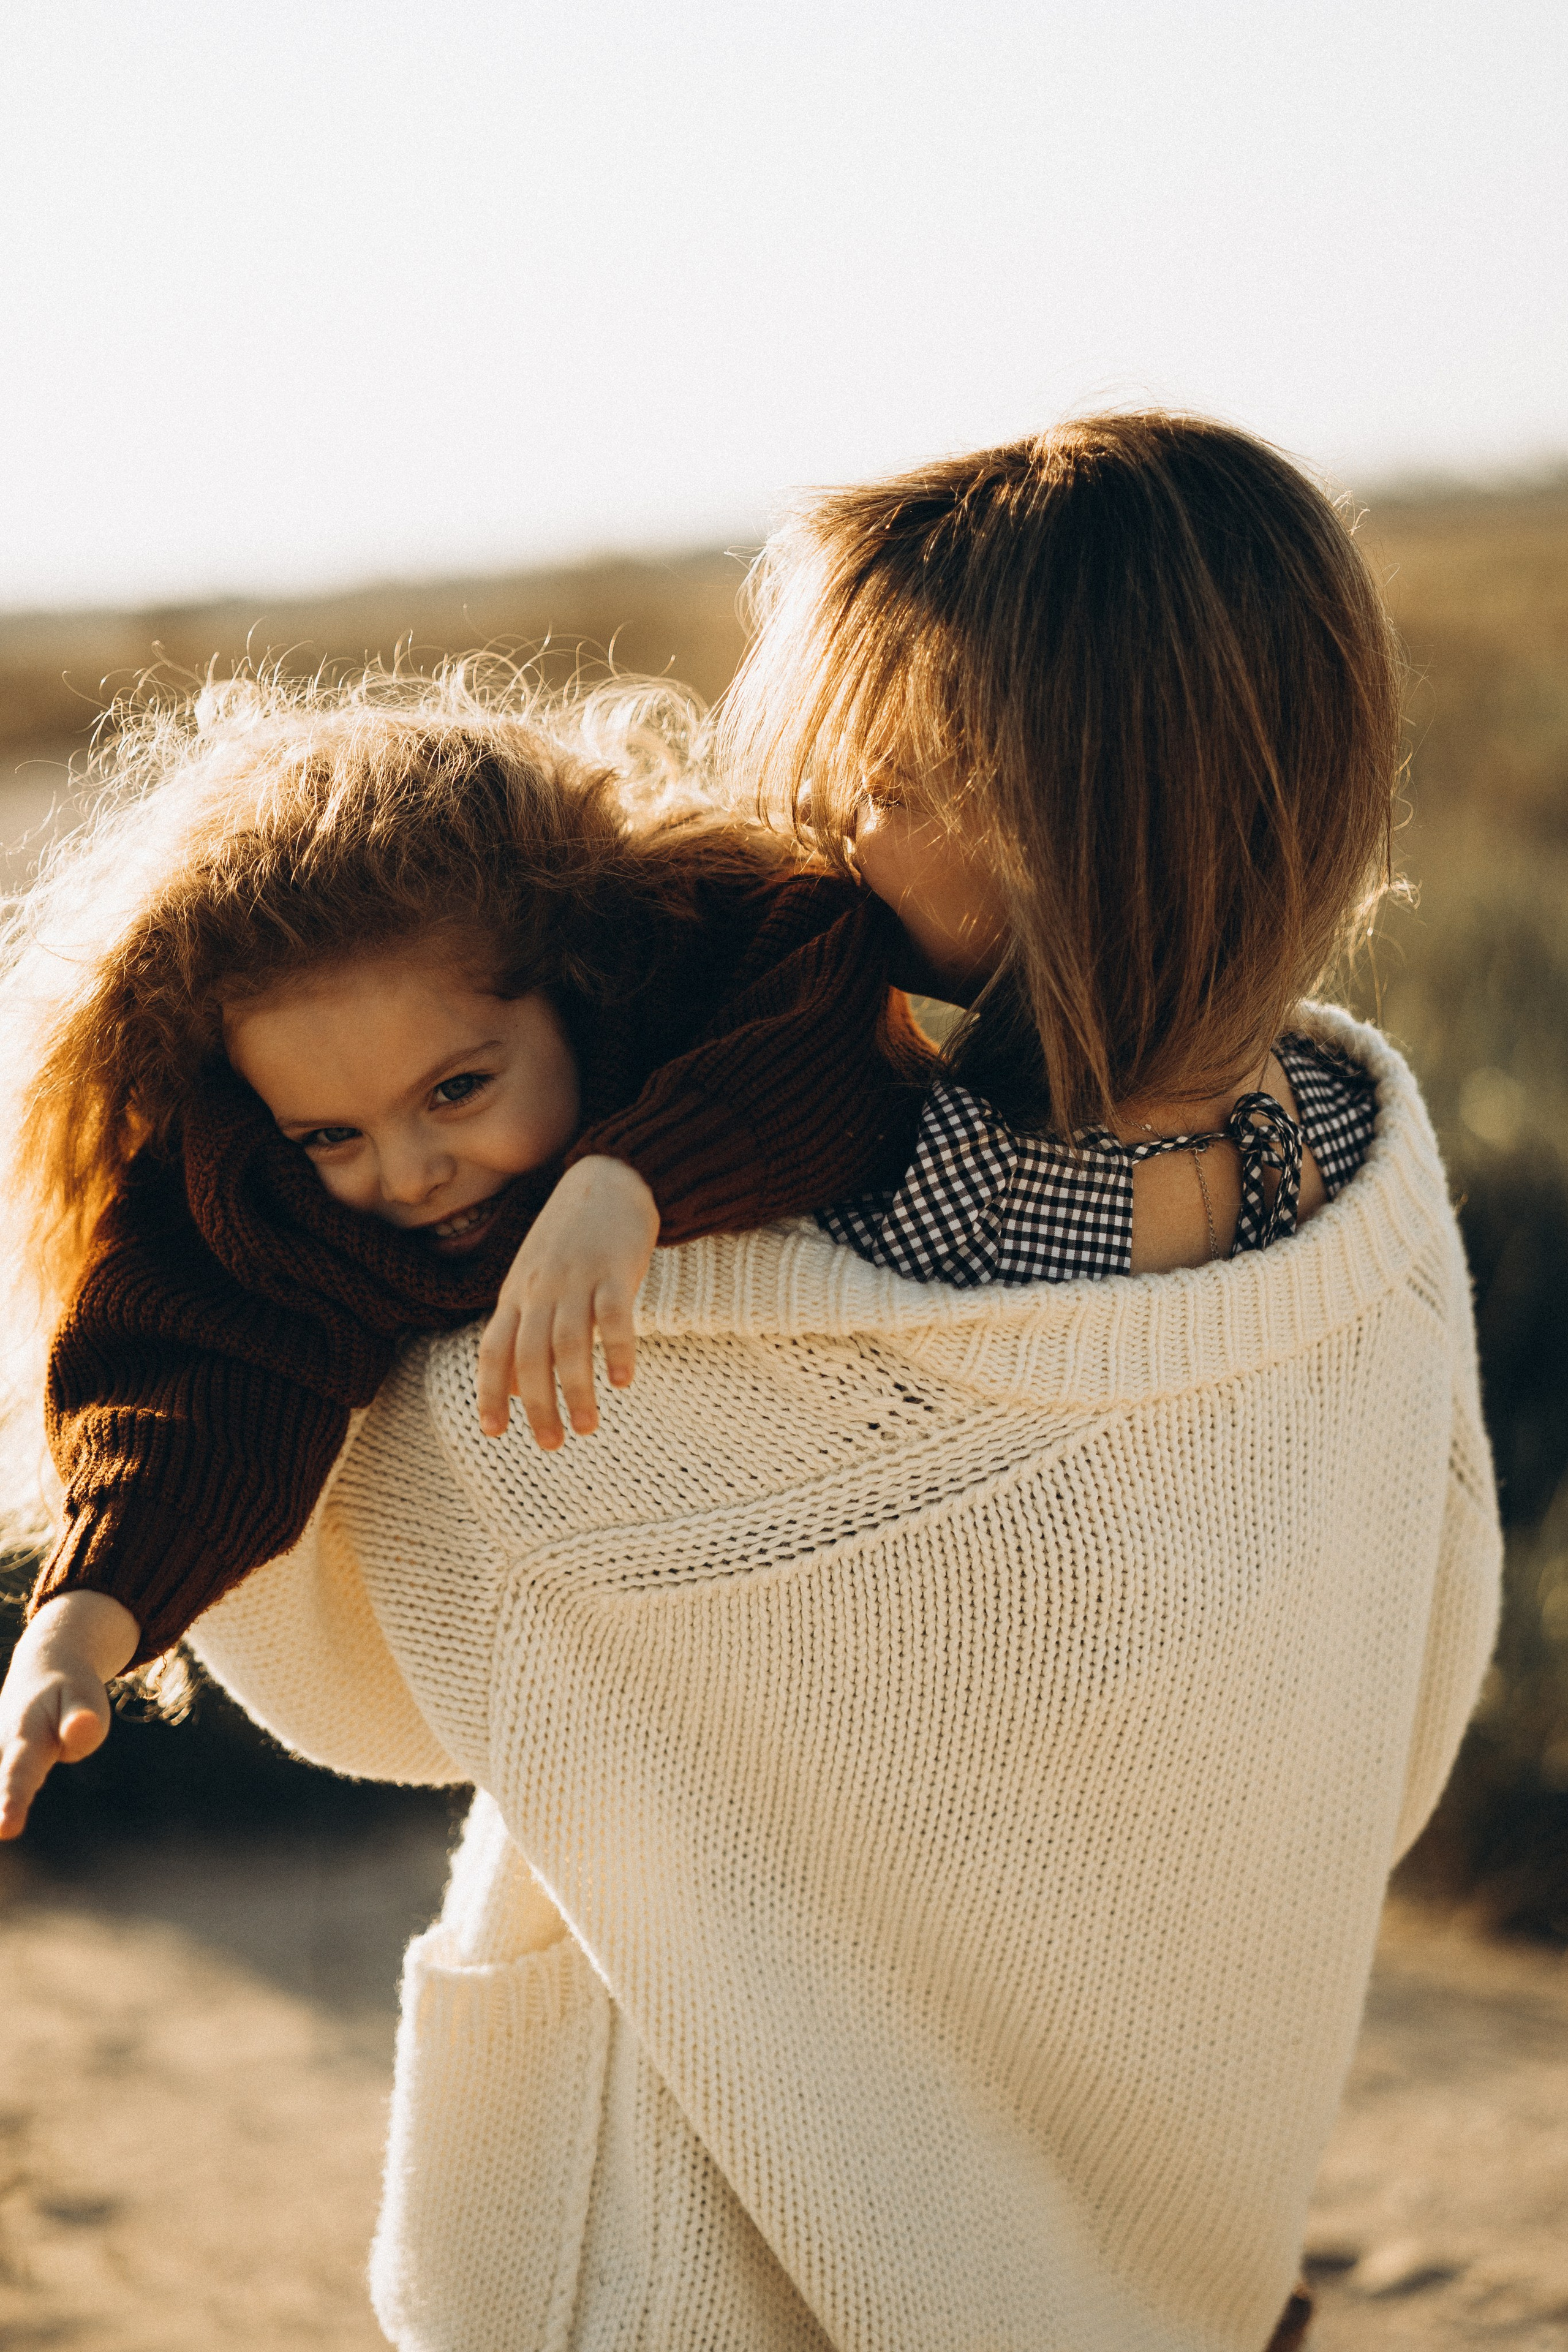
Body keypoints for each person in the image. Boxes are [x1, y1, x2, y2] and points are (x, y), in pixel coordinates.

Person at [178, 417, 1499, 2351]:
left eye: (887, 777)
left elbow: (343, 1667)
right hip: (1175, 2215)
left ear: (1066, 818)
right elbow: (1410, 1708)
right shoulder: (1376, 1205)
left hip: (695, 2273)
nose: (819, 816)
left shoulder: (737, 1339)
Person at [0, 668, 933, 1837]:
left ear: (579, 986)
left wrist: (627, 1180)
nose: (405, 1174)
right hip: (624, 1731)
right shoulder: (267, 1193)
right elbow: (189, 1386)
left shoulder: (692, 974)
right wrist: (72, 1633)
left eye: (456, 1089)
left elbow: (826, 1037)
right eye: (333, 1135)